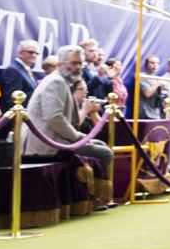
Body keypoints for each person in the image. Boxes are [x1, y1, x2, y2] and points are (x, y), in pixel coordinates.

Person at [22, 45, 114, 173]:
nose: (78, 67)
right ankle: (90, 191)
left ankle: (83, 189)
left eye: (80, 63)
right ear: (60, 65)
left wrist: (77, 137)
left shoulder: (63, 81)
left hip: (54, 140)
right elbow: (54, 118)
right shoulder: (56, 82)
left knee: (100, 145)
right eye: (74, 63)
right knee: (105, 153)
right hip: (47, 145)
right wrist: (76, 136)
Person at [0, 40, 40, 114]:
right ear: (20, 52)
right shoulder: (13, 70)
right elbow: (12, 99)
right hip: (18, 119)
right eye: (30, 52)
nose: (34, 55)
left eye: (36, 53)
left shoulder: (27, 69)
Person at [137, 56, 167, 120]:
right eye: (152, 63)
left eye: (157, 63)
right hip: (145, 113)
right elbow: (147, 94)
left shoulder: (157, 78)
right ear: (146, 64)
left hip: (156, 113)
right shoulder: (141, 76)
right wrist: (158, 84)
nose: (155, 65)